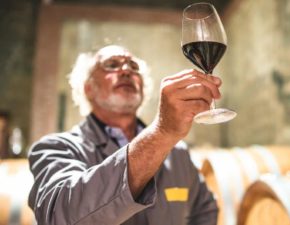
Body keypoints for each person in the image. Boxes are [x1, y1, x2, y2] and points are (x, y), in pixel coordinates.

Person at [28, 45, 220, 225]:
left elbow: (205, 210)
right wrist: (161, 132)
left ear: (143, 89)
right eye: (111, 65)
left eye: (134, 67)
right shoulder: (57, 147)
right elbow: (58, 216)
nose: (127, 70)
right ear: (88, 88)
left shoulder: (178, 152)